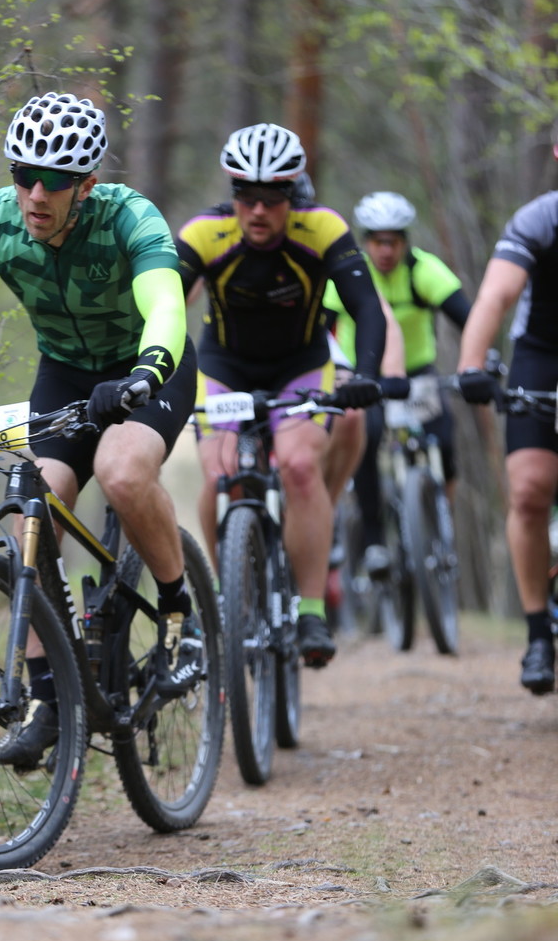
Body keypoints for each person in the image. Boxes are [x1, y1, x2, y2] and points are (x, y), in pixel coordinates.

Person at [0, 90, 201, 768]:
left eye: (54, 180)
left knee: (120, 471)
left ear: (87, 185)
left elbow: (166, 306)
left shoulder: (129, 217)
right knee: (35, 507)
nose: (35, 193)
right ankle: (49, 697)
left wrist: (146, 371)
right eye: (23, 175)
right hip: (66, 374)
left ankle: (179, 609)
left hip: (148, 367)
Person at [175, 123, 386, 669]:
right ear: (232, 193)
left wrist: (365, 373)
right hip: (224, 365)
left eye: (272, 198)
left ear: (293, 195)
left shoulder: (322, 229)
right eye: (246, 196)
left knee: (298, 466)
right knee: (219, 473)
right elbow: (164, 305)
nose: (258, 210)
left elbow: (366, 305)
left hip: (300, 365)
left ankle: (311, 608)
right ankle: (223, 592)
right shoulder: (205, 233)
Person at [323, 192, 472, 578]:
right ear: (365, 241)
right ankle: (374, 541)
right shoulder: (352, 273)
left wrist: (478, 360)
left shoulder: (425, 270)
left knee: (445, 439)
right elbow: (322, 328)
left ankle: (439, 520)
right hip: (365, 377)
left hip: (417, 375)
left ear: (406, 241)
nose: (385, 250)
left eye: (393, 241)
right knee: (367, 437)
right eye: (377, 241)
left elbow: (468, 318)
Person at [457, 148, 558, 696]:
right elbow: (496, 295)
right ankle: (539, 633)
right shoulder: (540, 218)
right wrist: (472, 366)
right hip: (543, 353)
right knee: (529, 490)